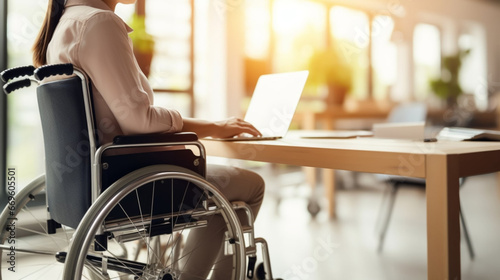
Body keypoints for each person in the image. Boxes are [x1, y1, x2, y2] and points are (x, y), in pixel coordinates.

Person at [32, 0, 265, 279]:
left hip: (89, 181)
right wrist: (214, 126)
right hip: (128, 180)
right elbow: (139, 121)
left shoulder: (64, 26)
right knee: (250, 186)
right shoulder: (98, 23)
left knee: (223, 190)